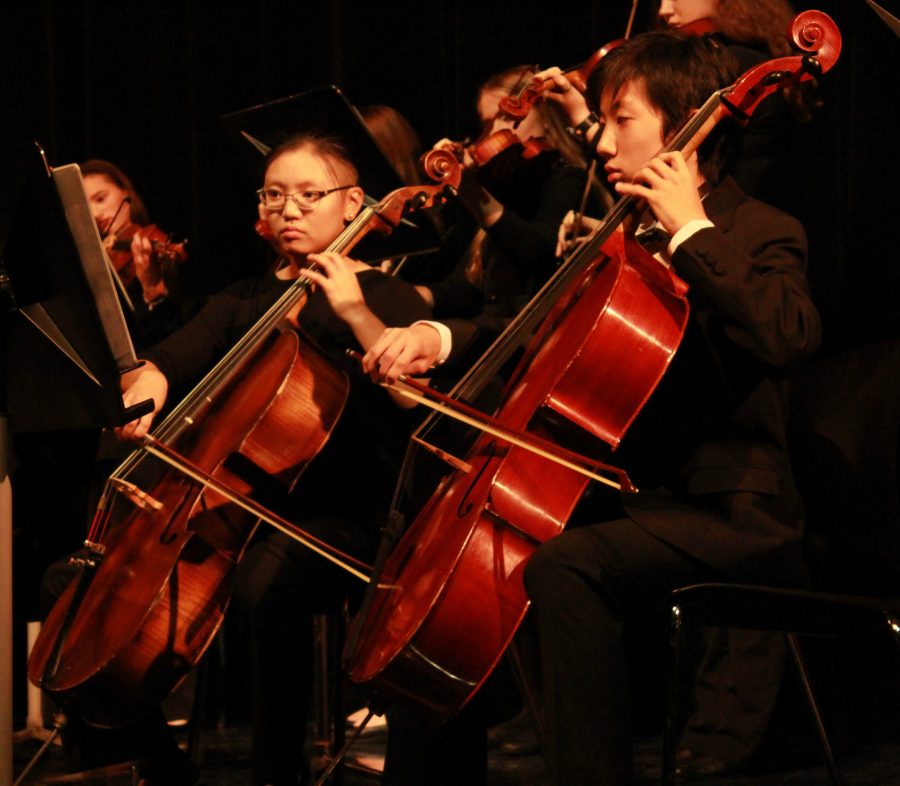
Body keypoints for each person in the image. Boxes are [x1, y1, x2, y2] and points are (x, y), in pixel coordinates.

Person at [363, 29, 820, 785]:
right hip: (631, 499)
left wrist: (692, 232)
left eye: (621, 119)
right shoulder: (617, 235)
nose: (600, 140)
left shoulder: (756, 231)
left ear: (687, 127)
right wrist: (436, 336)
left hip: (732, 513)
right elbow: (529, 325)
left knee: (563, 563)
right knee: (472, 543)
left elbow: (789, 334)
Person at [43, 133, 433, 786]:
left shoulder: (390, 299)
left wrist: (355, 314)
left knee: (263, 584)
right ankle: (158, 766)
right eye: (275, 194)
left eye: (310, 195)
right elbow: (165, 363)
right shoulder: (246, 298)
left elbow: (413, 405)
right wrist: (146, 388)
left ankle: (275, 771)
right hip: (240, 509)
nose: (290, 209)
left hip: (349, 522)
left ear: (353, 205)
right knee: (72, 583)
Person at [81, 159, 193, 347]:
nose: (95, 213)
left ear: (125, 192)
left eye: (100, 199)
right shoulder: (93, 259)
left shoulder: (154, 245)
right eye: (86, 207)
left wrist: (153, 292)